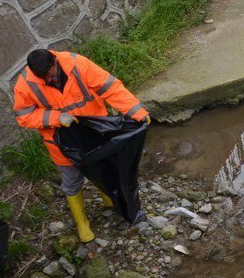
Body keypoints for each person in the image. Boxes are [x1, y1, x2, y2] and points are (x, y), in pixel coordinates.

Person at [12, 49, 150, 243]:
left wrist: (136, 111)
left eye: (50, 74)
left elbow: (109, 87)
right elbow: (24, 117)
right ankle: (82, 223)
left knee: (102, 167)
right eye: (43, 78)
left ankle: (108, 199)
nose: (49, 80)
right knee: (72, 180)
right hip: (62, 144)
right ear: (33, 72)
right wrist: (56, 117)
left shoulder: (77, 64)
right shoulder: (25, 85)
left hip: (95, 132)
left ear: (55, 62)